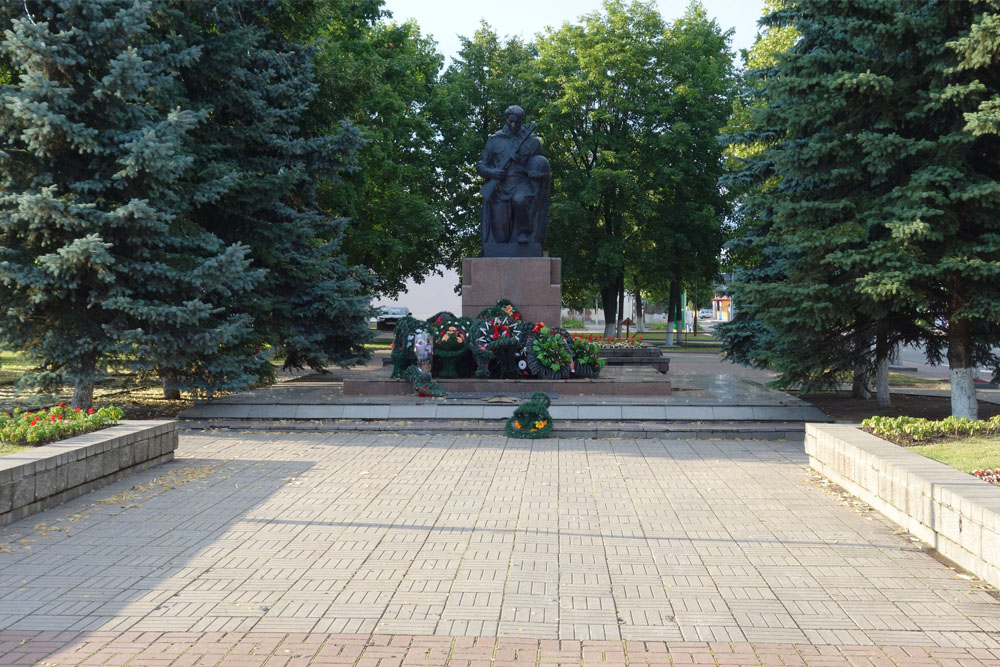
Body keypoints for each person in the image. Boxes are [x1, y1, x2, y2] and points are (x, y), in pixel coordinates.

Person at [477, 105, 549, 253]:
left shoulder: (533, 141)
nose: (513, 125)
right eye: (511, 121)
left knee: (520, 200)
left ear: (522, 120)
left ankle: (525, 231)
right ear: (506, 120)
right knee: (500, 238)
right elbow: (481, 165)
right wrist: (492, 173)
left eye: (517, 122)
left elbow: (539, 163)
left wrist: (522, 162)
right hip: (500, 188)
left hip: (522, 184)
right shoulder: (494, 140)